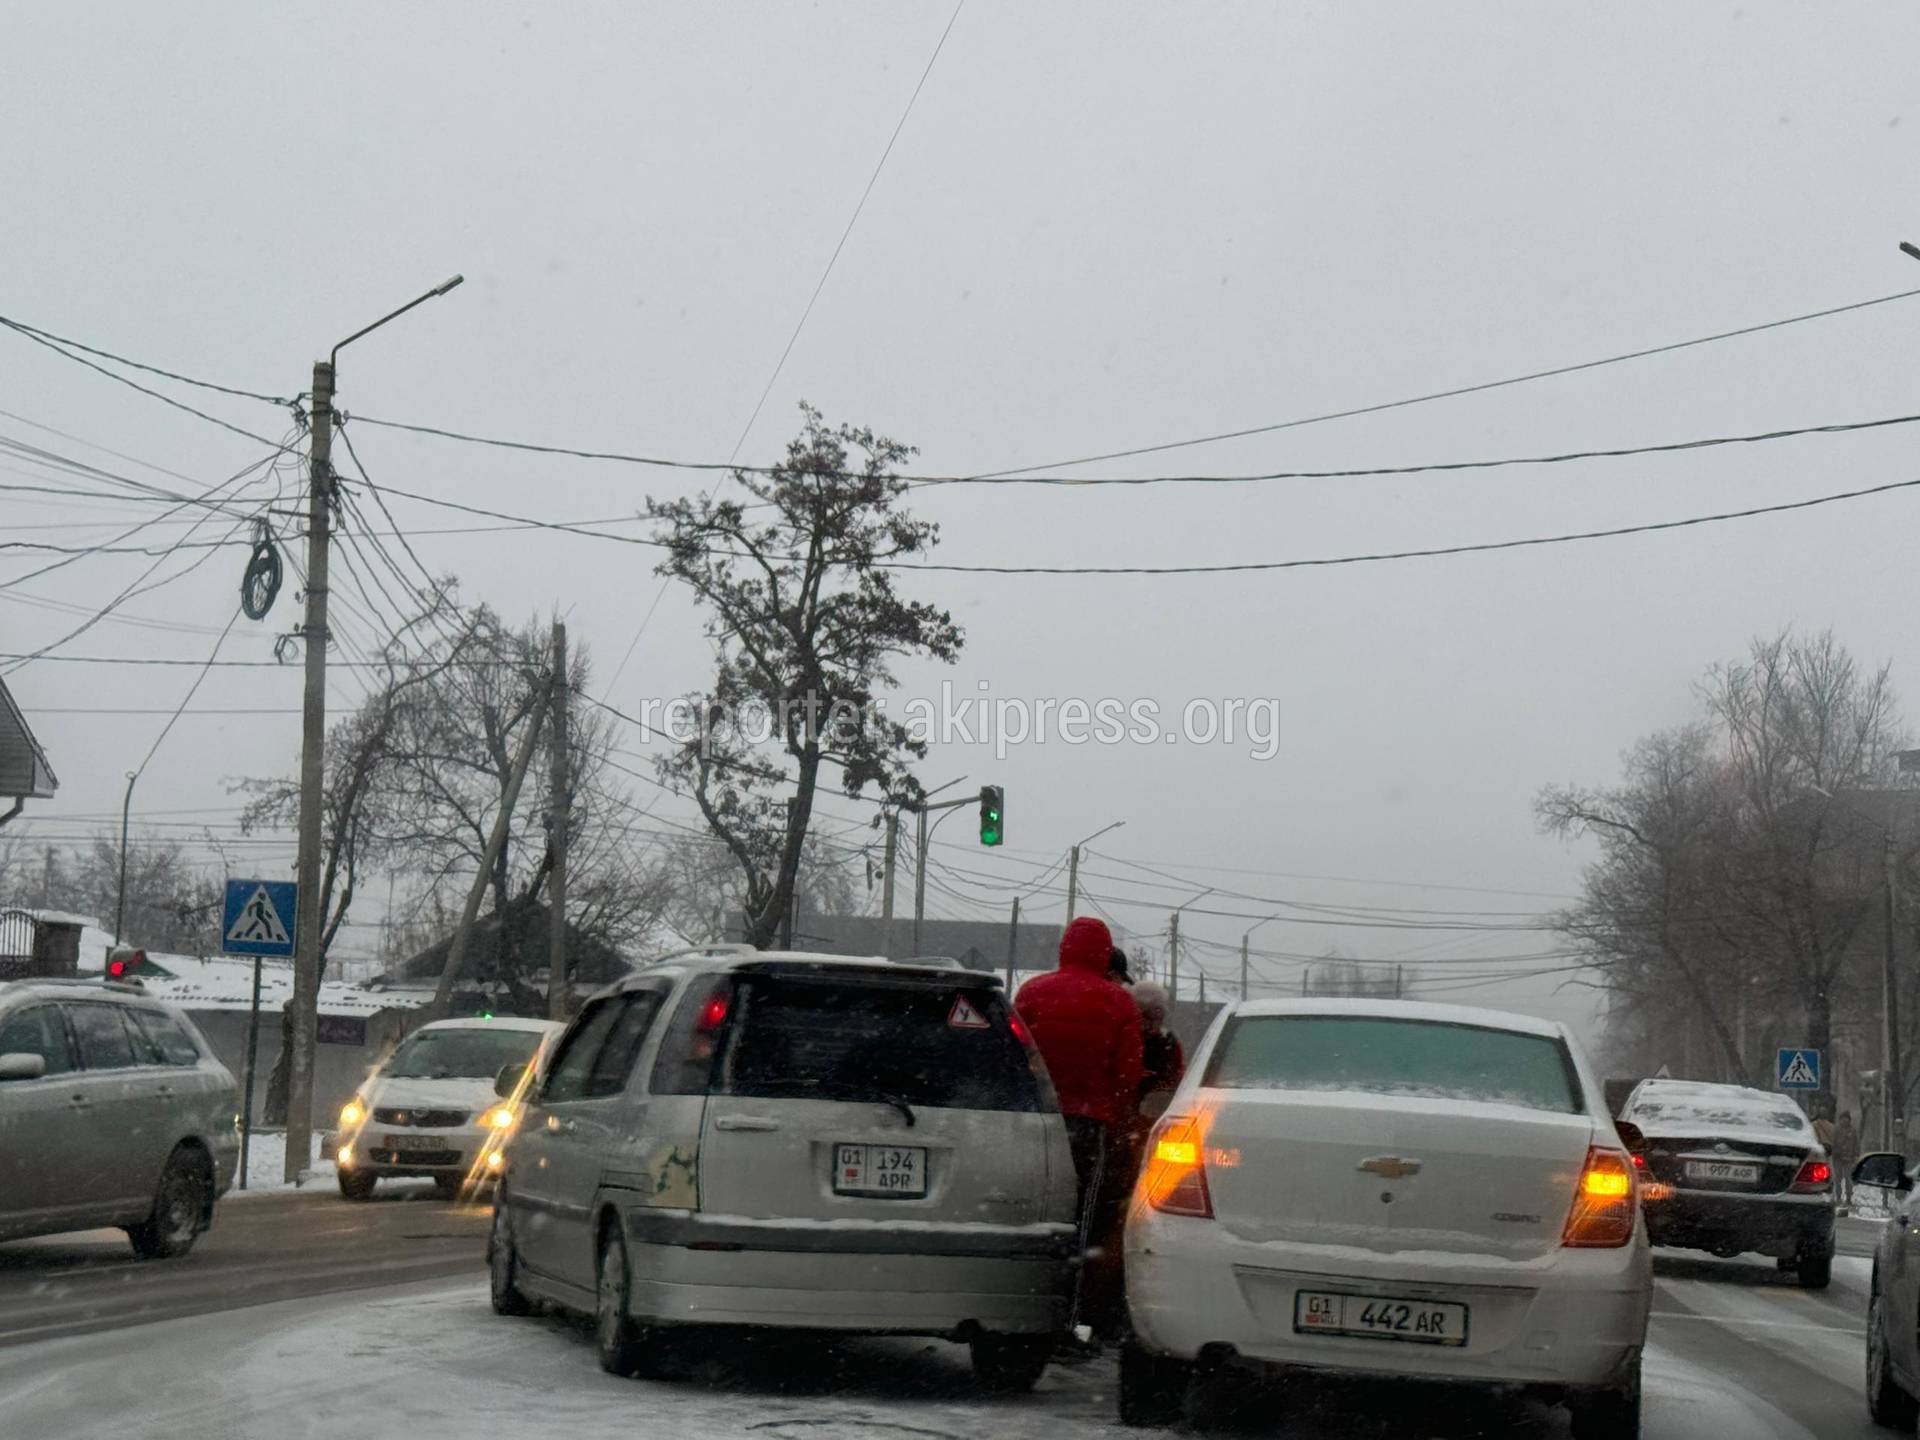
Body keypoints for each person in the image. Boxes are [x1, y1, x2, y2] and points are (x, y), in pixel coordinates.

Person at [1015, 915, 1144, 1344]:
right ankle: (1067, 1323)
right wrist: (1121, 1125)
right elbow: (1127, 1077)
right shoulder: (1119, 1004)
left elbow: (1017, 1057)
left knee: (1029, 1214)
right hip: (1089, 1127)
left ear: (1064, 948)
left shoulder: (1032, 992)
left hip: (1034, 1124)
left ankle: (1018, 1312)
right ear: (1105, 954)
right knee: (1080, 1225)